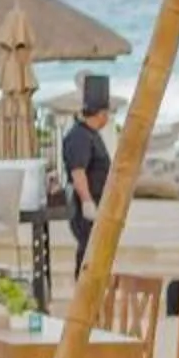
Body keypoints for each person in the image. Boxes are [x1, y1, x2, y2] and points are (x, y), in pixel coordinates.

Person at [60, 75, 114, 270]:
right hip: (85, 206)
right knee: (88, 251)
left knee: (95, 252)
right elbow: (78, 172)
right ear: (101, 113)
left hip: (99, 203)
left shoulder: (92, 135)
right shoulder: (79, 137)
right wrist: (87, 201)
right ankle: (82, 291)